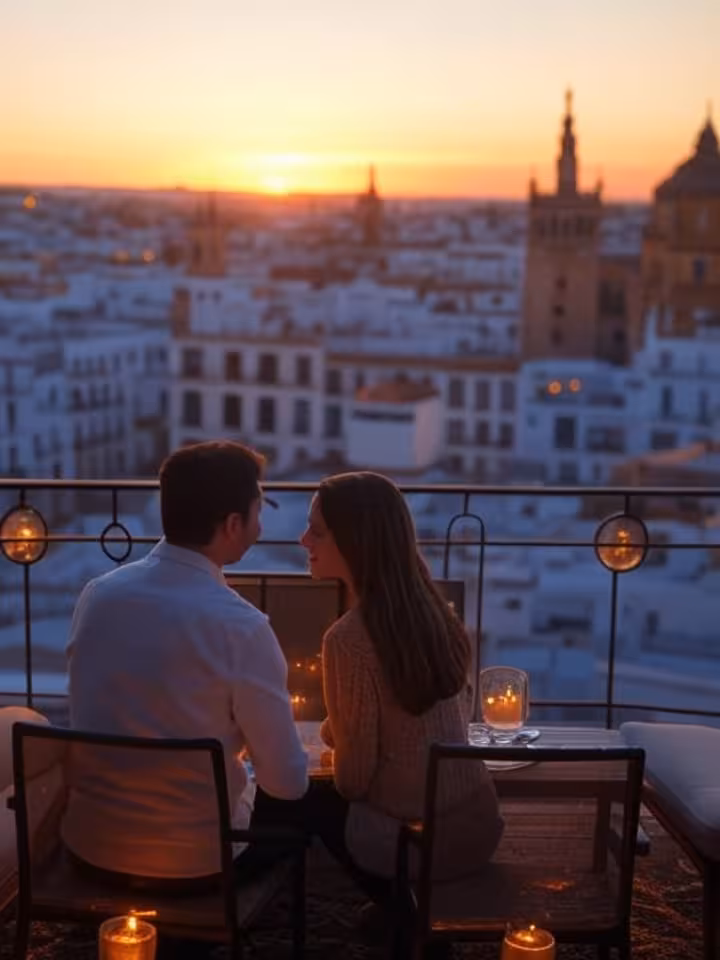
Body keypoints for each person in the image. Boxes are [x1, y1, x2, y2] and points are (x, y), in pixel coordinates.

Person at [64, 441, 308, 890]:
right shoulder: (243, 627)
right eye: (259, 511)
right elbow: (288, 783)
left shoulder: (97, 595)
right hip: (195, 866)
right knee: (308, 808)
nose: (260, 526)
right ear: (233, 524)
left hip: (89, 850)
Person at [300, 471, 503, 906]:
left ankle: (401, 910)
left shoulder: (348, 640)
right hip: (480, 826)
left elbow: (353, 783)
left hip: (419, 845)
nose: (303, 540)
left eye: (316, 531)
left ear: (355, 541)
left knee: (305, 799)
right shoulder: (434, 610)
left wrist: (333, 738)